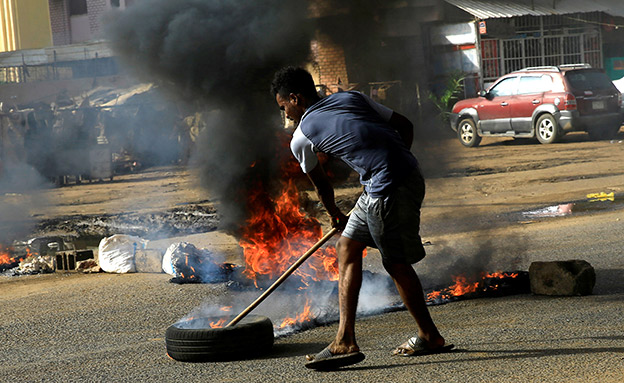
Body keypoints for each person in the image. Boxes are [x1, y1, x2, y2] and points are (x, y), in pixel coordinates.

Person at [271, 67, 453, 370]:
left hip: (387, 189)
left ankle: (429, 336)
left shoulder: (301, 136)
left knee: (395, 263)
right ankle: (345, 339)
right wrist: (395, 162)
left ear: (295, 98)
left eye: (283, 107)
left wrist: (334, 214)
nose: (286, 115)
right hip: (399, 178)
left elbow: (321, 184)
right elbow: (404, 125)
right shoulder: (351, 97)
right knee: (347, 247)